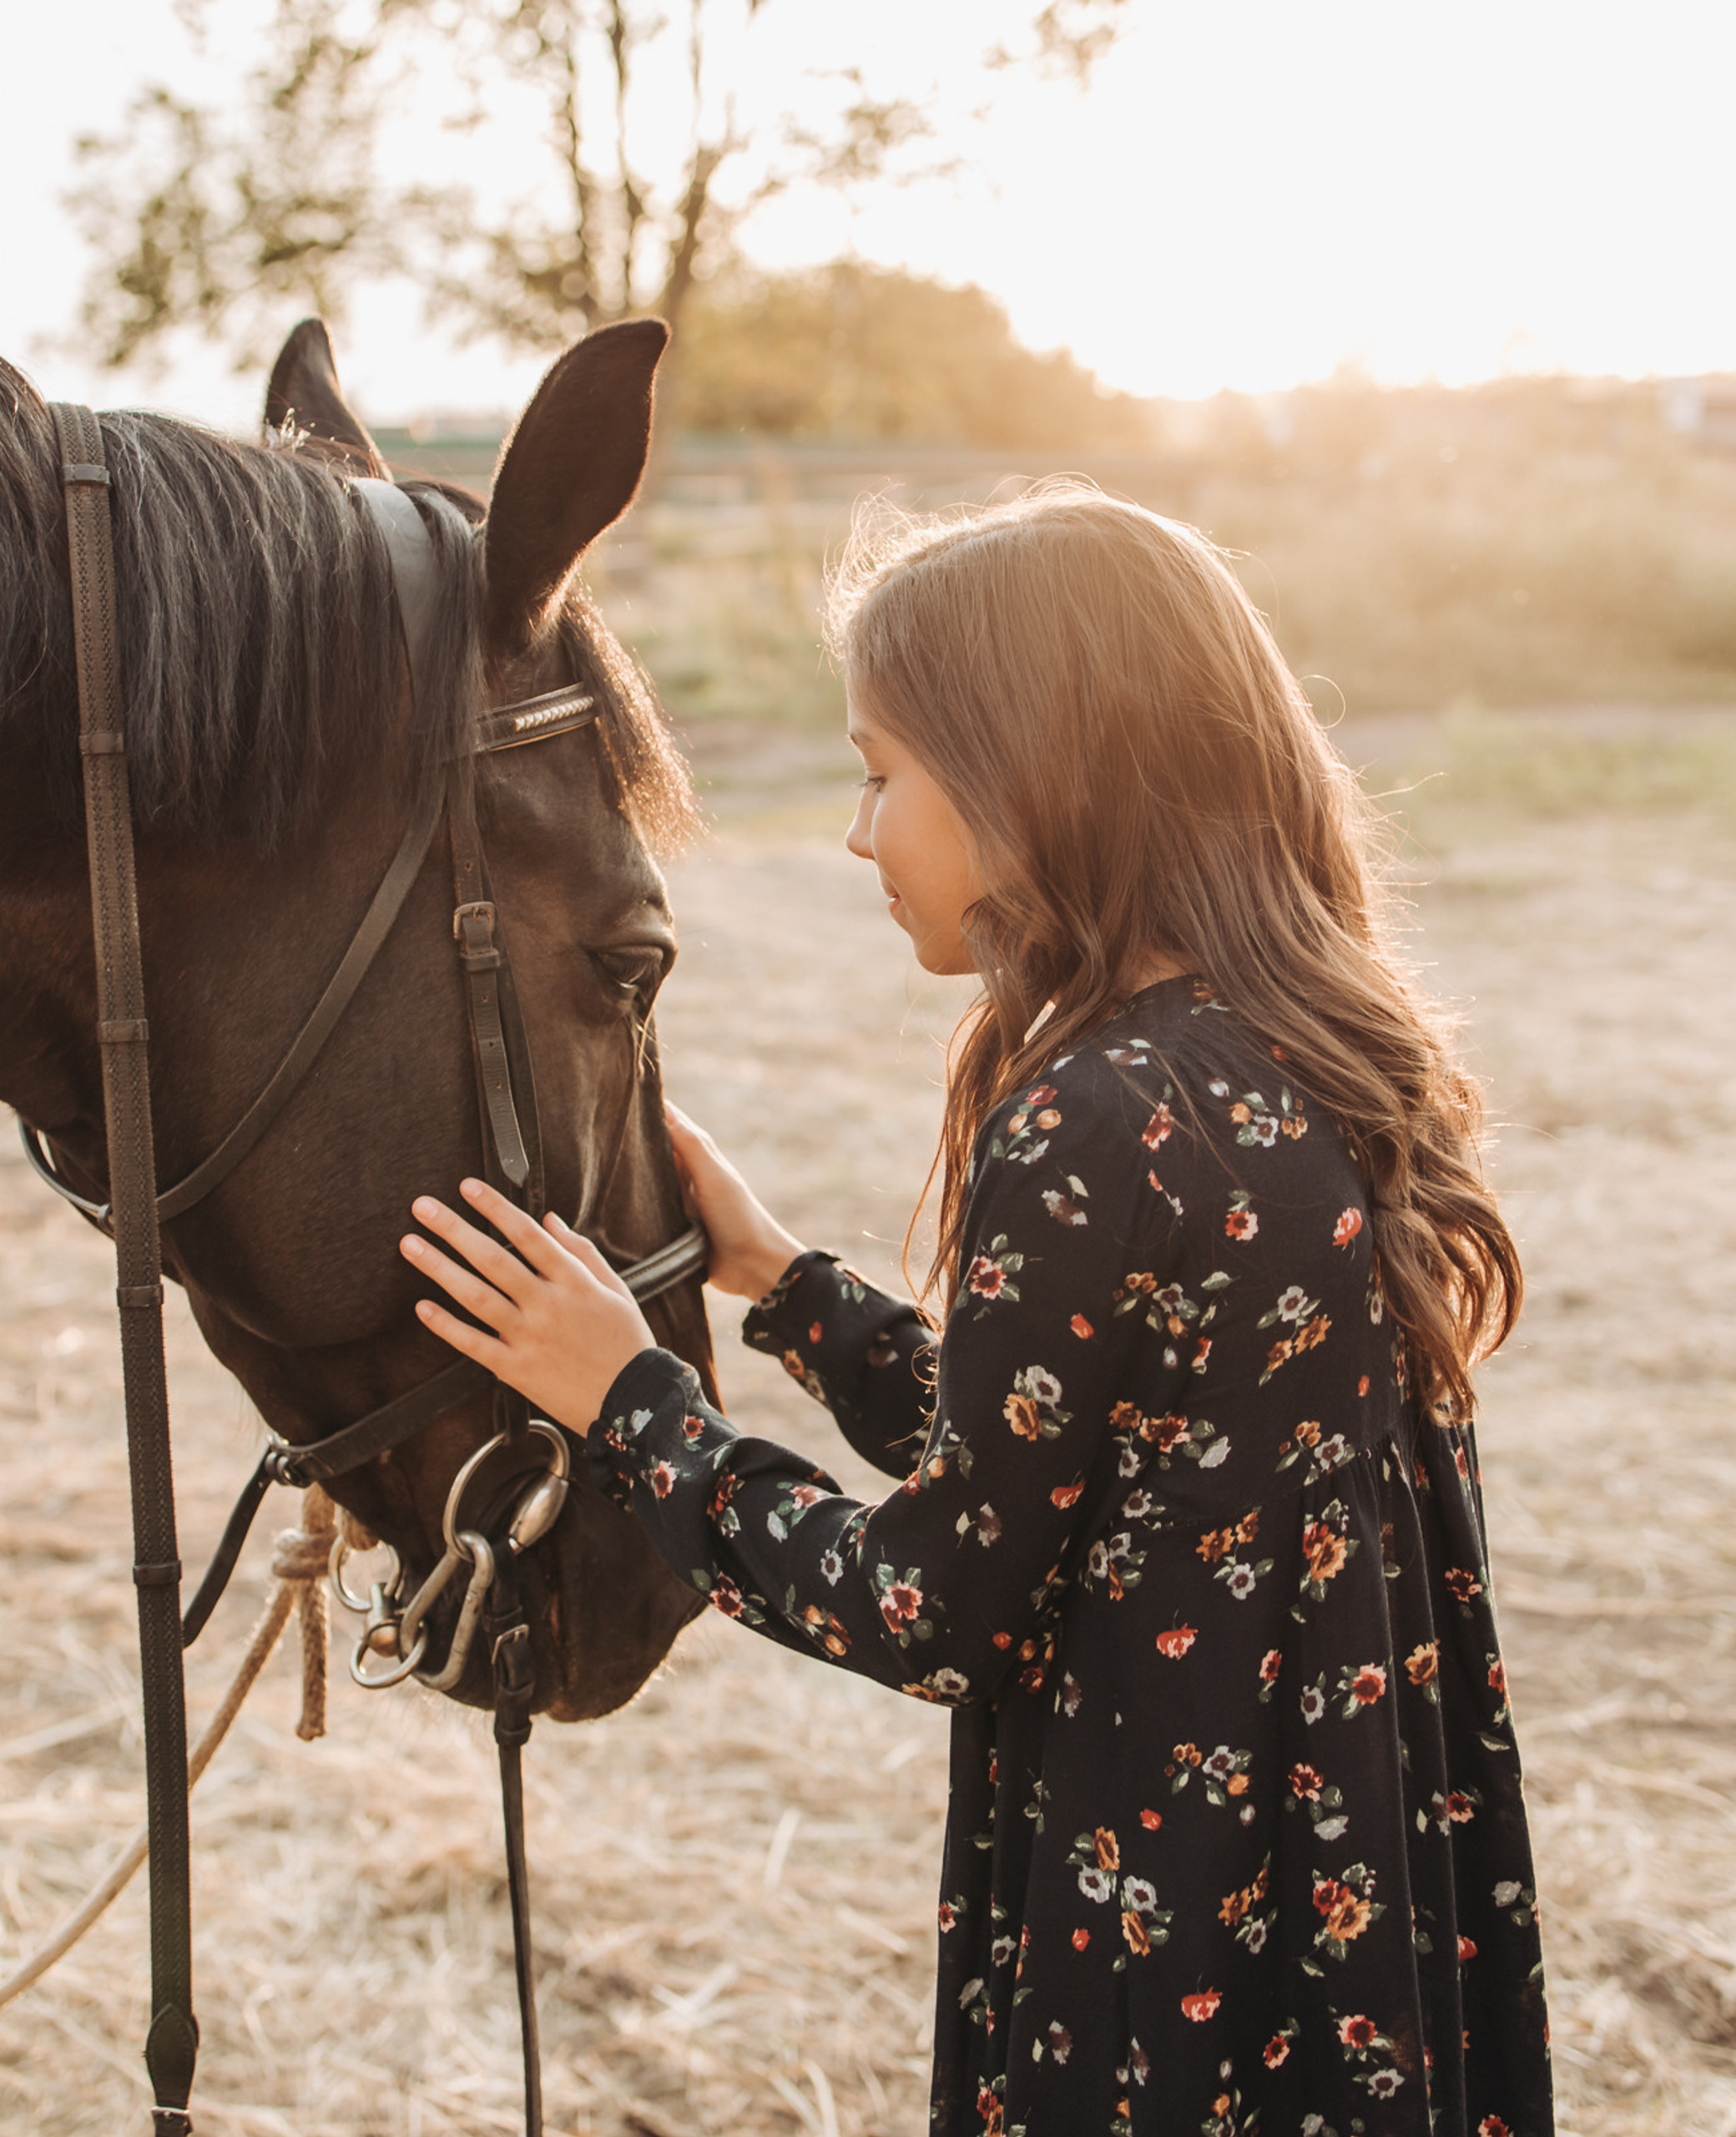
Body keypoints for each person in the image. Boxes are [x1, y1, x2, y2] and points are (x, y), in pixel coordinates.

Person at [398, 484, 1552, 2136]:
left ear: (1033, 769)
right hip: (1342, 1883)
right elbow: (1118, 1463)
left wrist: (630, 1403)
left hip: (1170, 1913)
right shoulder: (1290, 1046)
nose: (858, 833)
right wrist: (787, 1288)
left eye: (880, 772)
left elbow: (933, 1604)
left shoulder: (1089, 1116)